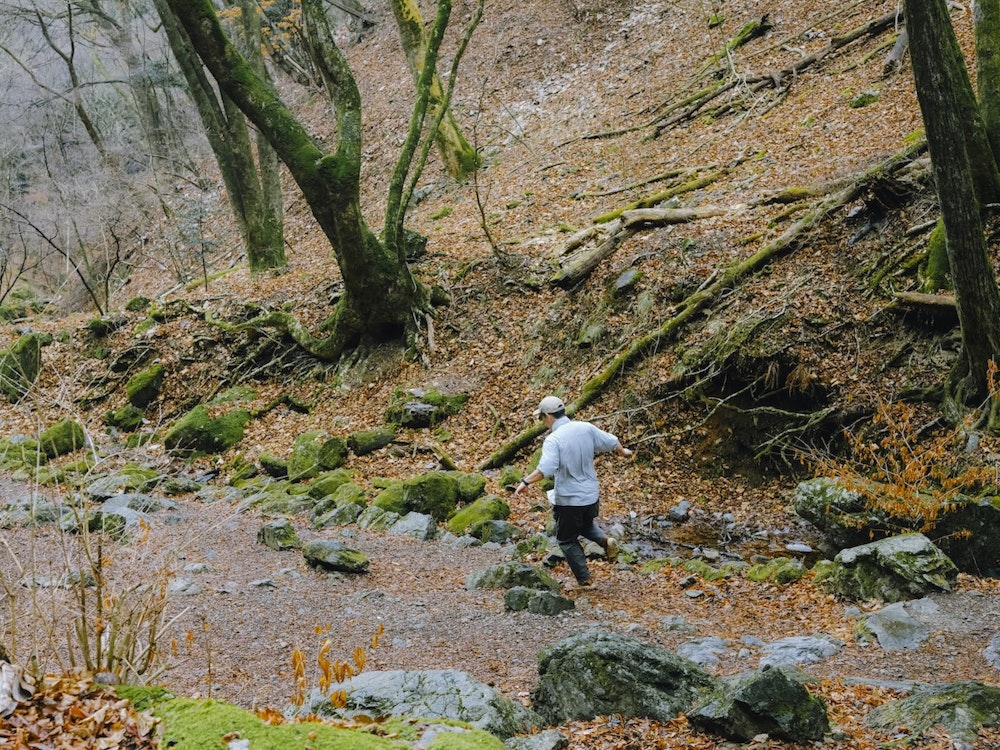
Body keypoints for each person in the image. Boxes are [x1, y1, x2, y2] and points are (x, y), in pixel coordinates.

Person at [513, 395, 633, 587]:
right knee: (584, 525)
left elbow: (546, 469)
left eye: (541, 418)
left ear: (548, 416)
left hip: (570, 500)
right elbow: (611, 441)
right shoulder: (585, 427)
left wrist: (525, 482)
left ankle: (585, 580)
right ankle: (605, 541)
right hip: (591, 496)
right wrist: (623, 451)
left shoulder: (554, 439)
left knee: (566, 540)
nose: (542, 423)